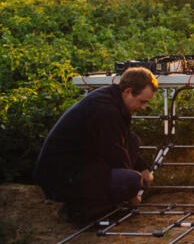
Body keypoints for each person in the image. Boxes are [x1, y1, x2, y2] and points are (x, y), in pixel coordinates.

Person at [34, 67, 157, 225]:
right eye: (142, 101)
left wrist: (143, 168)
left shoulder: (112, 98)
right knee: (131, 181)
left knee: (132, 140)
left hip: (81, 164)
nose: (143, 107)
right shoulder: (106, 111)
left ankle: (98, 202)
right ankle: (82, 210)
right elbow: (115, 155)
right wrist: (132, 192)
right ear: (128, 92)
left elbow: (122, 143)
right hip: (62, 177)